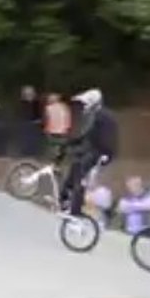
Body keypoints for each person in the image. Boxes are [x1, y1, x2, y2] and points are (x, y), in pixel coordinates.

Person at [58, 88, 117, 216]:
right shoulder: (99, 115)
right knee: (76, 165)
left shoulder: (102, 116)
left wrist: (71, 144)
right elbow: (88, 137)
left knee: (81, 175)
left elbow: (95, 137)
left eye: (85, 104)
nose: (84, 107)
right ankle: (65, 197)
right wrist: (71, 143)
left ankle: (75, 210)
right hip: (99, 150)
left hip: (102, 152)